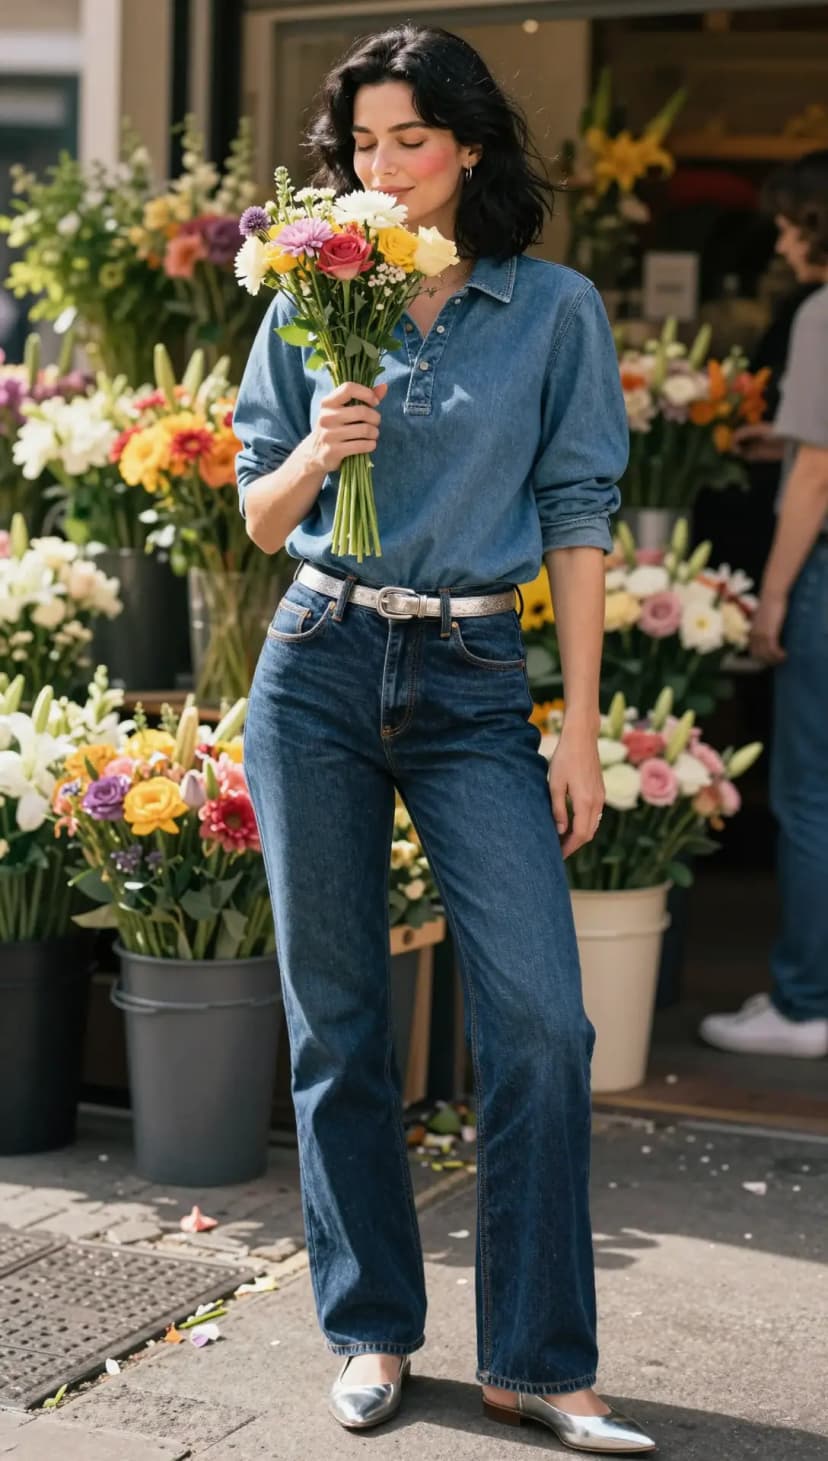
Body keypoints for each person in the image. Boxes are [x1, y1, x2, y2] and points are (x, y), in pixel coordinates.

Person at [234, 25, 654, 1453]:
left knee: (541, 1019)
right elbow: (255, 513)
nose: (383, 167)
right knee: (339, 1022)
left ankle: (536, 1356)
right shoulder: (305, 293)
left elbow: (580, 514)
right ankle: (370, 1327)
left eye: (409, 139)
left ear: (469, 144)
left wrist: (578, 727)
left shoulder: (553, 312)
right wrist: (315, 452)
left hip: (479, 670)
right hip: (318, 663)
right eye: (361, 145)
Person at [699, 150, 828, 1060]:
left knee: (808, 793)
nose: (781, 238)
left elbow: (820, 473)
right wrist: (785, 436)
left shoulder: (822, 315)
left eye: (791, 221)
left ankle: (804, 999)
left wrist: (774, 594)